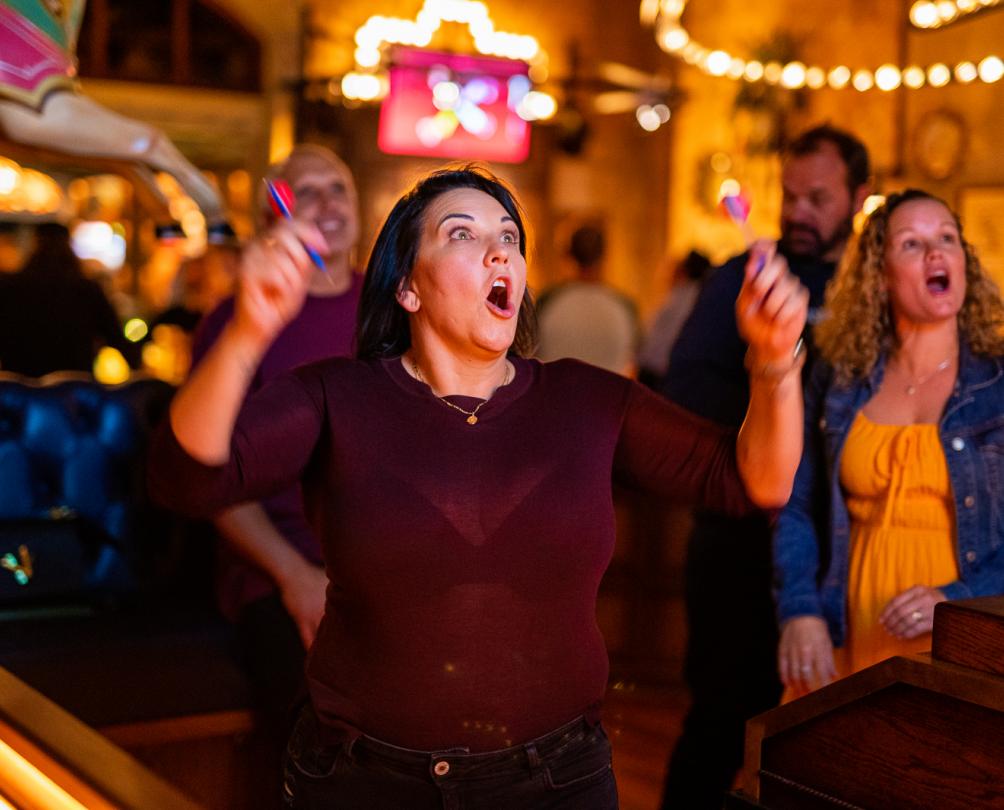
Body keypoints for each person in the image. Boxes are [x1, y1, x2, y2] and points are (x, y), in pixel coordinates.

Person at [149, 164, 807, 809]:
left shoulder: (587, 400)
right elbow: (186, 480)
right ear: (407, 286)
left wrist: (774, 361)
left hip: (556, 783)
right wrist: (248, 331)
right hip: (364, 781)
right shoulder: (336, 396)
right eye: (463, 233)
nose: (499, 249)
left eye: (510, 237)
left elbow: (754, 481)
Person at [659, 125, 871, 810]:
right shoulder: (739, 280)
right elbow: (685, 395)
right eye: (791, 196)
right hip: (740, 540)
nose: (800, 211)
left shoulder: (873, 288)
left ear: (859, 197)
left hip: (850, 546)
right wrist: (774, 380)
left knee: (830, 743)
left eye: (819, 197)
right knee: (722, 724)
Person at [774, 189, 1004, 697]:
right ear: (879, 278)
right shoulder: (839, 378)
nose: (936, 253)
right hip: (844, 627)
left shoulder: (1000, 383)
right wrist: (800, 610)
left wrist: (957, 599)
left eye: (947, 238)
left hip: (960, 644)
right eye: (912, 244)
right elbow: (795, 503)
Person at [188, 144, 362, 747]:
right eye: (305, 191)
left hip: (383, 564)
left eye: (337, 188)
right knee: (324, 738)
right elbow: (205, 481)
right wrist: (294, 575)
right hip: (280, 565)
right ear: (274, 218)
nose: (327, 204)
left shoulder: (398, 310)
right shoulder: (238, 320)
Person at [0, 222, 140, 377]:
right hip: (73, 388)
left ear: (34, 245)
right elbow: (116, 338)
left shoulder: (10, 287)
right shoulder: (87, 289)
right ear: (69, 246)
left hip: (20, 390)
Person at [535, 224, 640, 374]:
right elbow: (633, 356)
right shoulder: (624, 306)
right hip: (609, 395)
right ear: (604, 254)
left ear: (568, 253)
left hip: (558, 394)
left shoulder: (548, 301)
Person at [636, 250, 712, 388]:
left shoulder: (682, 296)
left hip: (658, 369)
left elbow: (656, 334)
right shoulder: (698, 297)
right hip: (666, 369)